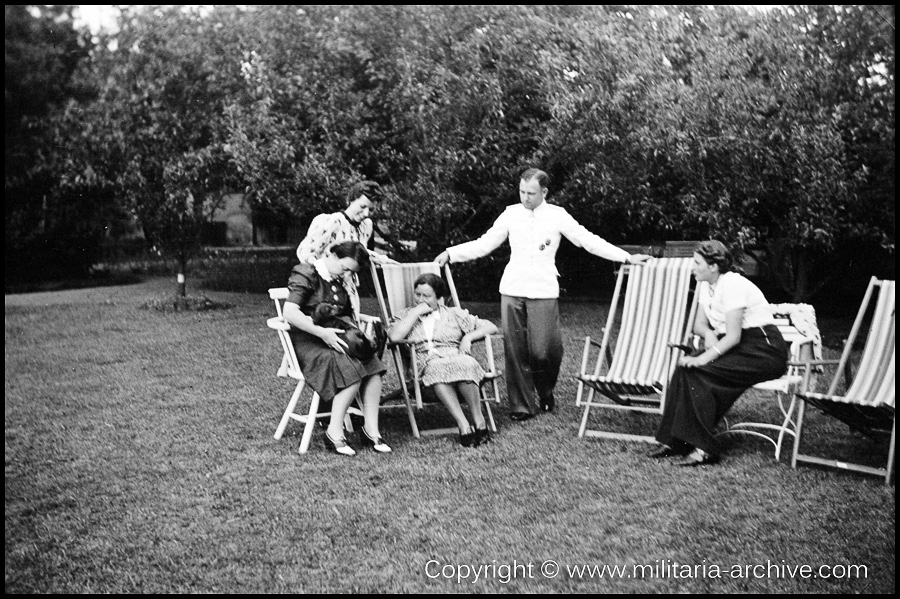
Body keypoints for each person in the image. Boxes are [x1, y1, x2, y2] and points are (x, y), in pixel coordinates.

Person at [435, 168, 652, 421]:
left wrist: (625, 256)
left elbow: (587, 240)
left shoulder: (557, 216)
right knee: (515, 349)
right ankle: (522, 406)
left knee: (544, 351)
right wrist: (451, 252)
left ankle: (546, 390)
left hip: (543, 289)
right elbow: (484, 243)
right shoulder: (510, 214)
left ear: (544, 192)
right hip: (512, 288)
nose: (525, 197)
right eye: (522, 191)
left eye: (531, 193)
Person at [651, 240, 789, 466]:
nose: (692, 268)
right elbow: (698, 324)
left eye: (697, 263)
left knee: (699, 370)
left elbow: (734, 336)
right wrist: (708, 333)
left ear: (713, 266)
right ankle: (677, 441)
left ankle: (704, 449)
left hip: (764, 350)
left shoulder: (732, 284)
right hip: (738, 345)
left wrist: (705, 357)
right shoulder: (706, 285)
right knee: (684, 368)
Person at [283, 241, 391, 456]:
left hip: (337, 335)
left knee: (373, 366)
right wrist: (322, 333)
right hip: (310, 340)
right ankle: (334, 431)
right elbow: (290, 312)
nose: (347, 274)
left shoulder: (340, 279)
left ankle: (371, 430)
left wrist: (360, 333)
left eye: (351, 271)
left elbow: (346, 315)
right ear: (332, 255)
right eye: (345, 268)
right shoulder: (306, 273)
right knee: (351, 366)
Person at [388, 273, 499, 447]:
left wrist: (468, 337)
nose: (420, 300)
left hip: (455, 357)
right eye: (418, 294)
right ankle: (463, 424)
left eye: (427, 296)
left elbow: (491, 326)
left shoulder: (454, 314)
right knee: (437, 368)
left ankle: (479, 421)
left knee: (467, 363)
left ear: (439, 298)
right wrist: (415, 313)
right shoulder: (404, 316)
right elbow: (394, 337)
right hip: (427, 366)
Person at [296, 180, 396, 320]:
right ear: (351, 199)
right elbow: (305, 252)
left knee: (350, 324)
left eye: (371, 209)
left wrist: (383, 260)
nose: (366, 213)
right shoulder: (333, 221)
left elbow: (359, 251)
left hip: (348, 287)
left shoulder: (366, 226)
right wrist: (323, 275)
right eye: (362, 206)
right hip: (323, 288)